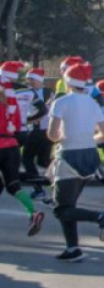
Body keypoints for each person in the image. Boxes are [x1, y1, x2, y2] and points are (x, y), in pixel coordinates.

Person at [46, 62, 104, 261]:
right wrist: (86, 139)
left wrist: (63, 137)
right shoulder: (93, 103)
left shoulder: (61, 103)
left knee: (61, 209)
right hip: (89, 156)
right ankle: (72, 248)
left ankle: (101, 217)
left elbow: (52, 135)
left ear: (67, 81)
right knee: (69, 205)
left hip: (69, 156)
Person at [0, 61, 46, 237]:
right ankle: (32, 213)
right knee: (13, 185)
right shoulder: (18, 97)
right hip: (12, 144)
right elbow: (24, 121)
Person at [19, 67, 54, 202]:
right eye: (28, 79)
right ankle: (60, 176)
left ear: (40, 81)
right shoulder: (31, 92)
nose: (29, 82)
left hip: (39, 130)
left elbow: (46, 110)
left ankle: (39, 189)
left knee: (27, 159)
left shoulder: (44, 93)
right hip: (42, 131)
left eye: (32, 79)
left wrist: (28, 120)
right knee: (43, 161)